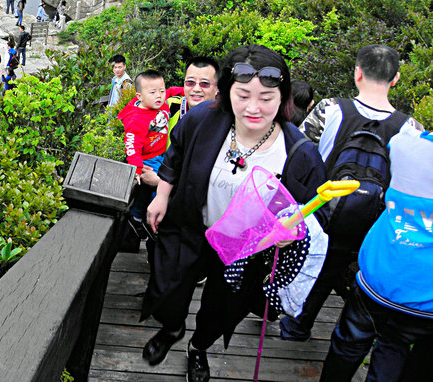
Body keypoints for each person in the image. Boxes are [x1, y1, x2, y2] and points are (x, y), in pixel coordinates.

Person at [141, 45, 326, 382]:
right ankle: (172, 328)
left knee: (221, 307)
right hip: (192, 226)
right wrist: (162, 195)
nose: (253, 108)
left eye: (266, 98)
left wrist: (290, 234)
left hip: (245, 248)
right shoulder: (204, 120)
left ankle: (198, 347)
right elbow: (176, 152)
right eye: (243, 95)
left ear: (282, 98)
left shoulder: (298, 152)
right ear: (227, 92)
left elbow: (311, 216)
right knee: (169, 287)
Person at [280, 45, 422, 343]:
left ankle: (297, 325)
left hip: (324, 211)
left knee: (319, 268)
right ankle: (350, 340)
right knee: (360, 279)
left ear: (357, 73)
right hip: (373, 222)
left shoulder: (329, 108)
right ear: (395, 79)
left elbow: (298, 154)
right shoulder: (409, 129)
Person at [319, 129, 433, 382]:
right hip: (426, 298)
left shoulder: (405, 145)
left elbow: (400, 140)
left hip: (380, 276)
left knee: (348, 345)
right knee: (395, 346)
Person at [119, 70, 170, 234]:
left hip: (160, 154)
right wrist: (137, 168)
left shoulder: (160, 102)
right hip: (147, 159)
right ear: (140, 96)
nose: (159, 96)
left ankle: (137, 217)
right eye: (153, 92)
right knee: (157, 187)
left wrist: (184, 91)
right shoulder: (137, 119)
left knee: (146, 190)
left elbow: (173, 91)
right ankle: (153, 221)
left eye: (162, 91)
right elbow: (132, 145)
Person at [165, 56, 220, 131]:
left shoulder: (226, 117)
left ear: (217, 87)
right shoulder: (169, 106)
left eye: (204, 83)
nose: (196, 89)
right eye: (190, 82)